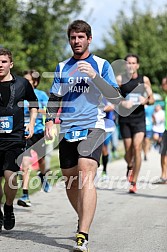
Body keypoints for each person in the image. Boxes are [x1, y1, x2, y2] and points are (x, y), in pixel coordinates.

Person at [45, 20, 122, 252]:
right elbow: (54, 97)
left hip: (93, 125)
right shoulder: (62, 66)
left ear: (89, 39)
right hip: (68, 128)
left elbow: (116, 97)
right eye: (73, 37)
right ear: (69, 40)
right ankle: (83, 217)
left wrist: (95, 77)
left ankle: (82, 234)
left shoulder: (101, 64)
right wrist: (49, 120)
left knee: (86, 171)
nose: (76, 41)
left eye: (80, 37)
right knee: (70, 179)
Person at [0, 48, 38, 231]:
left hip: (15, 138)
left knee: (11, 176)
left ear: (11, 64)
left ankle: (8, 206)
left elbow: (34, 104)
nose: (0, 65)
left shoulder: (22, 83)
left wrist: (31, 124)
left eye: (4, 62)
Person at [117, 53, 155, 193]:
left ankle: (134, 181)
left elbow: (152, 99)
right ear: (125, 65)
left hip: (139, 119)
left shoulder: (144, 80)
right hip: (125, 119)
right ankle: (130, 165)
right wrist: (123, 102)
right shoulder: (120, 80)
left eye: (134, 63)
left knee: (137, 147)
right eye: (128, 63)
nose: (131, 65)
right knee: (128, 151)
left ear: (137, 65)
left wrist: (145, 100)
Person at [17, 70, 52, 207]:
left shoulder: (41, 95)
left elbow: (48, 110)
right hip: (23, 133)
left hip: (38, 132)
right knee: (25, 163)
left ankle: (43, 175)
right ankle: (25, 195)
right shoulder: (18, 95)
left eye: (28, 81)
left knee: (41, 159)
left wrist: (35, 109)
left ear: (35, 82)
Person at [152, 77, 167, 184]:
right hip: (165, 129)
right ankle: (163, 176)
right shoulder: (165, 97)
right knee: (163, 153)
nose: (162, 86)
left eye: (163, 84)